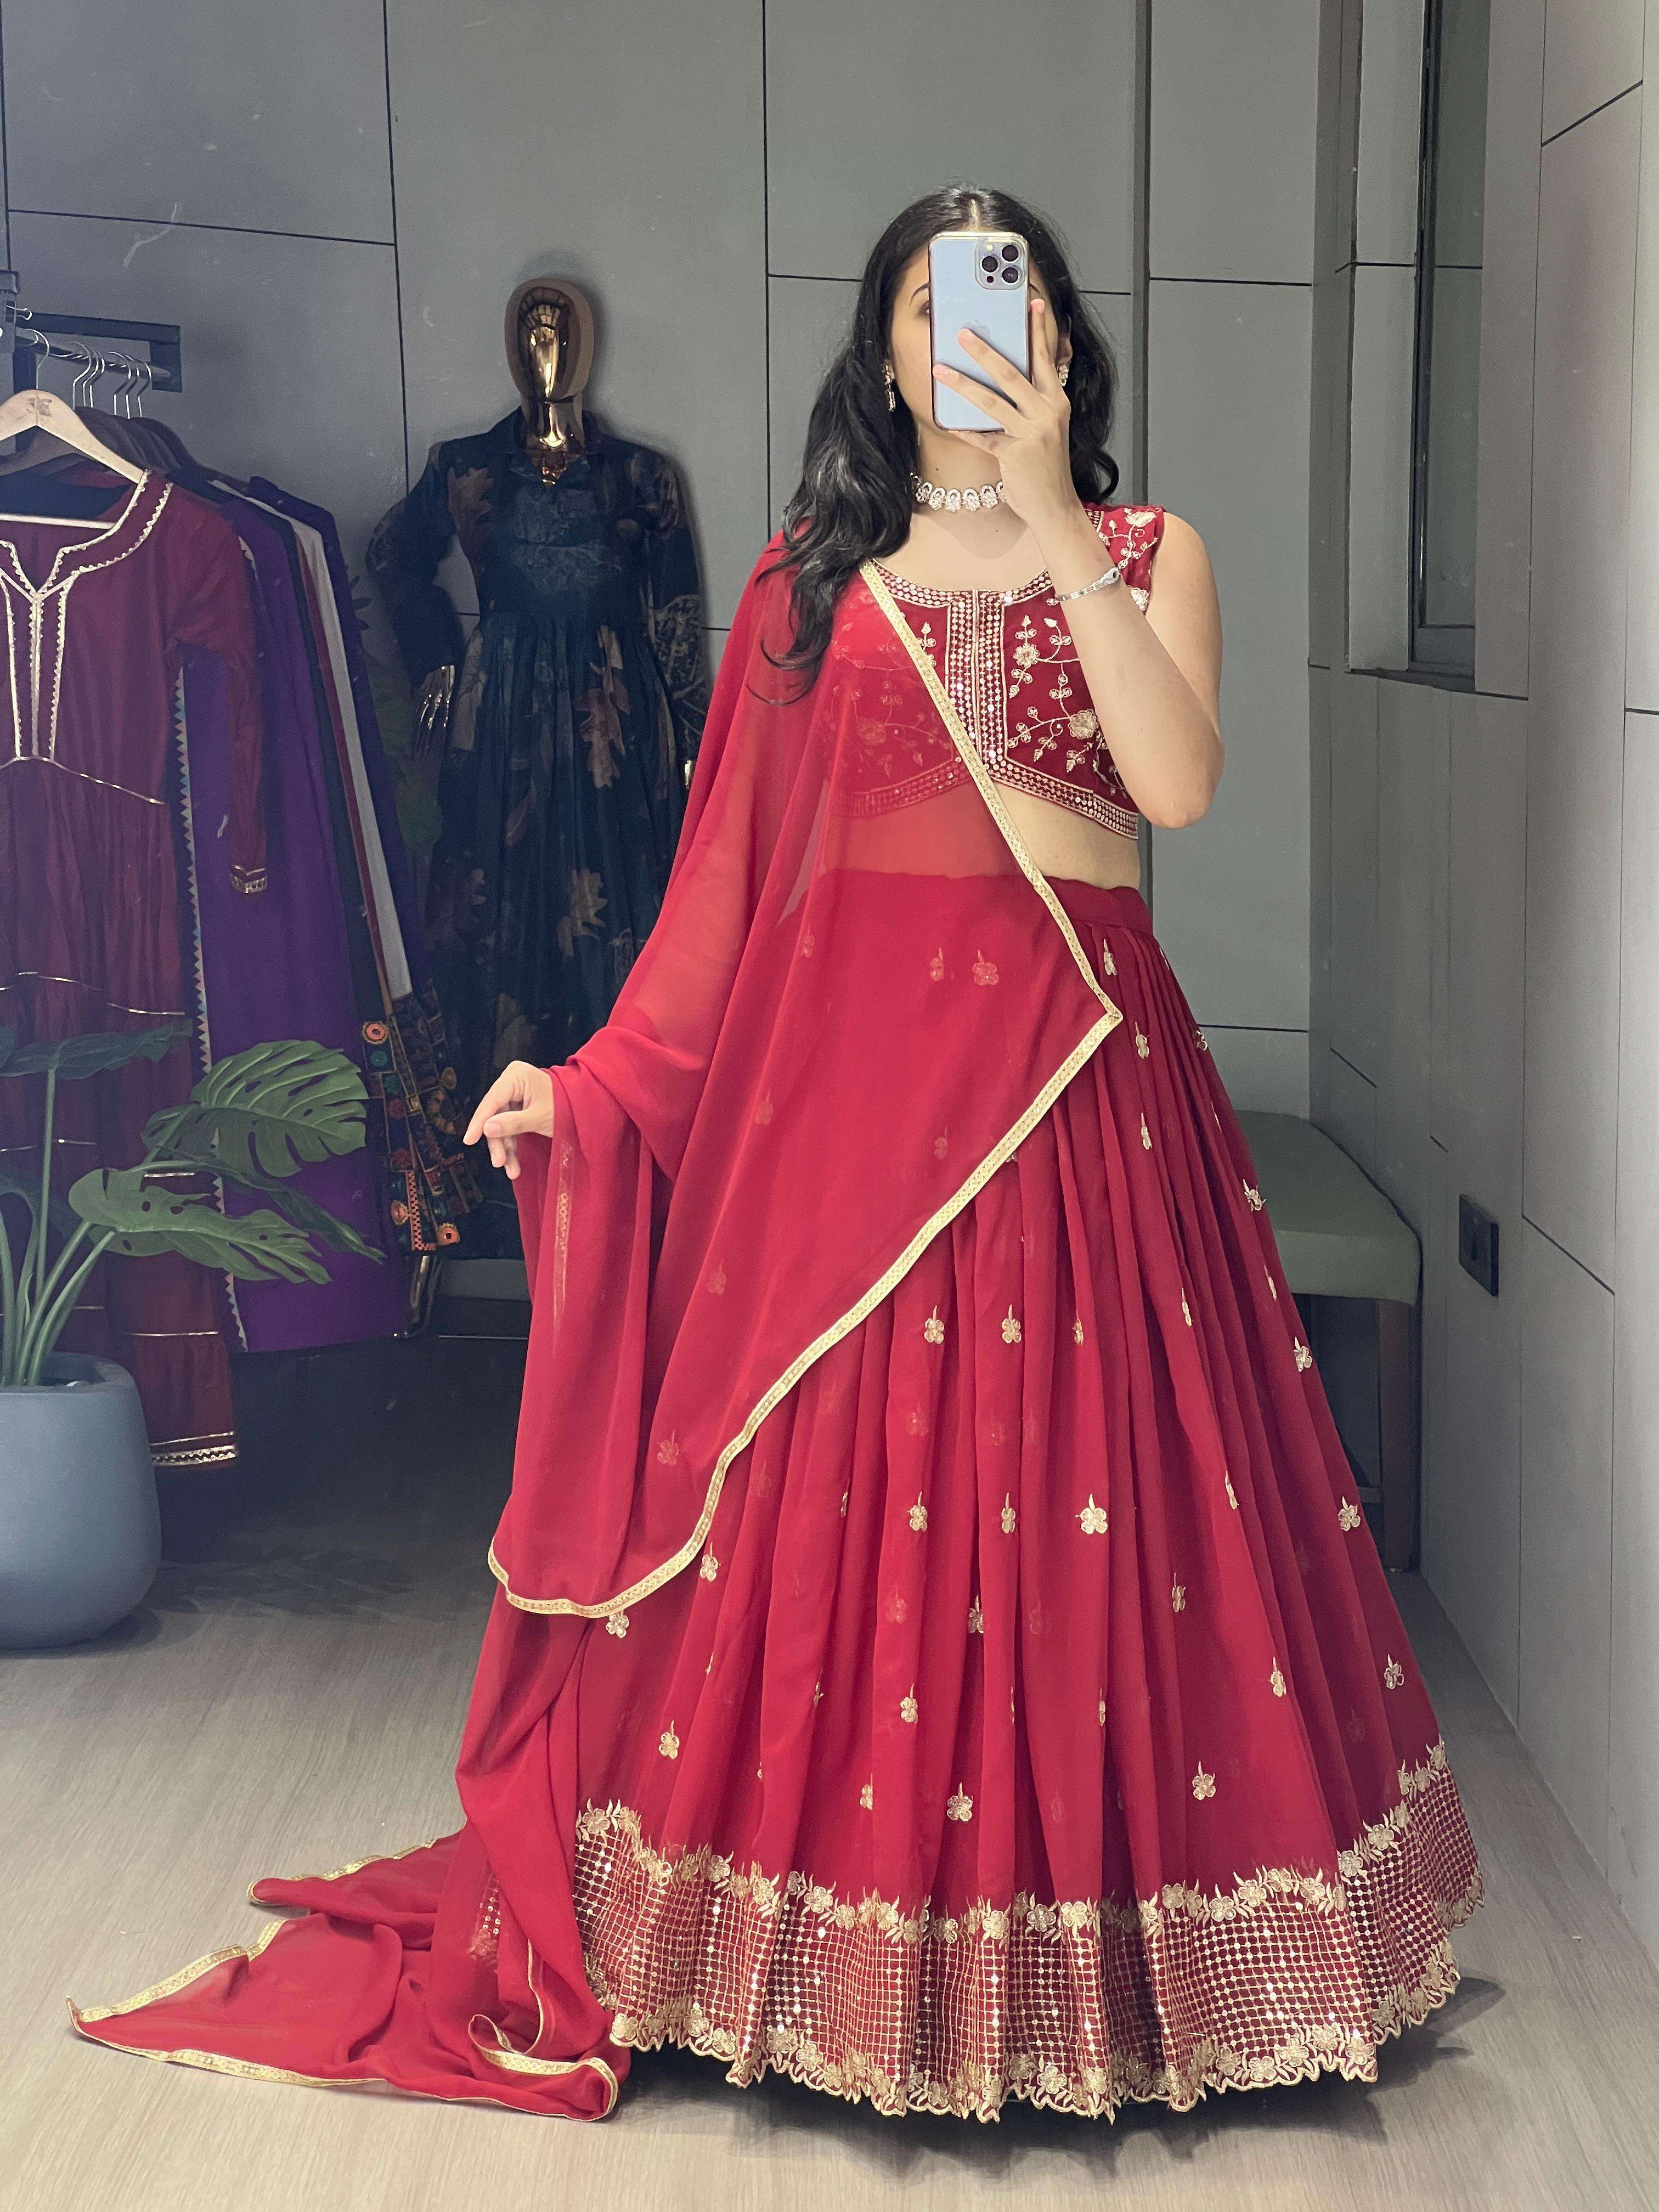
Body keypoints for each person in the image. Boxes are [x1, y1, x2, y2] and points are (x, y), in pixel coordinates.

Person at [69, 185, 1483, 2124]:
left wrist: (1056, 512)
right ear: (881, 356)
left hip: (1082, 1106)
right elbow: (719, 898)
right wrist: (592, 1084)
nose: (966, 331)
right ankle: (830, 1965)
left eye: (1004, 297)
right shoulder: (808, 590)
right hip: (859, 1139)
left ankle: (1108, 1974)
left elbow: (1174, 784)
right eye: (927, 303)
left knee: (1107, 1511)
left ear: (1058, 338)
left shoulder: (1152, 553)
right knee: (855, 1524)